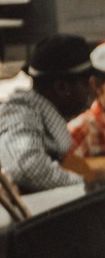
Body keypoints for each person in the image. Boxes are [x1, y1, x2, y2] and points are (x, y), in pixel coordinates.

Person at [0, 34, 95, 193]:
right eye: (85, 83)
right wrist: (85, 187)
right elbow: (27, 168)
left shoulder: (39, 115)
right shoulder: (20, 114)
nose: (90, 90)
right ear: (61, 87)